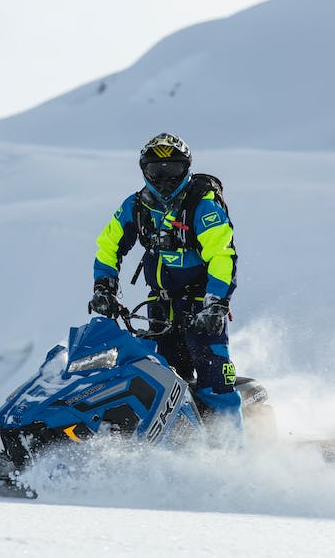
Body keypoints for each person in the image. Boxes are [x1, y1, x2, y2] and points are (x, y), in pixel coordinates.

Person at [88, 132, 242, 438]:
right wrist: (103, 288)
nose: (164, 179)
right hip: (159, 303)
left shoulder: (202, 204)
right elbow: (109, 245)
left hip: (201, 305)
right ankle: (168, 447)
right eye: (155, 171)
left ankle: (232, 456)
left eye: (172, 169)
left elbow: (222, 254)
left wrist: (214, 303)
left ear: (185, 168)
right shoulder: (136, 206)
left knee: (215, 378)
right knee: (160, 378)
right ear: (144, 171)